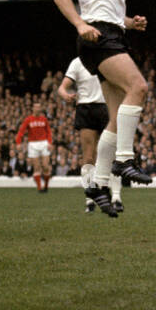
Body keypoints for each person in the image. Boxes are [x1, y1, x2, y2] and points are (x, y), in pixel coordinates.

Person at [52, 0, 152, 219]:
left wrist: (129, 23)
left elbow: (106, 9)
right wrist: (80, 25)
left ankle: (97, 184)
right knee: (139, 87)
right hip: (97, 37)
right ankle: (124, 159)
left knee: (114, 117)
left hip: (113, 33)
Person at [59, 58, 109, 215]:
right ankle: (90, 199)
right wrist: (65, 95)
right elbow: (62, 87)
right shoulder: (76, 62)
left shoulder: (107, 58)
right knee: (88, 157)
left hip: (105, 107)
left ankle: (109, 195)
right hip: (85, 108)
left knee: (105, 154)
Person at [15, 99, 54, 193]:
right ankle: (39, 188)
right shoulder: (28, 119)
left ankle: (46, 186)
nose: (37, 108)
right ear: (32, 108)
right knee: (36, 167)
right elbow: (21, 131)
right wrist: (18, 142)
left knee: (45, 166)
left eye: (39, 107)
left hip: (44, 143)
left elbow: (48, 131)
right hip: (32, 144)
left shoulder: (44, 119)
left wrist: (49, 142)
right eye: (36, 107)